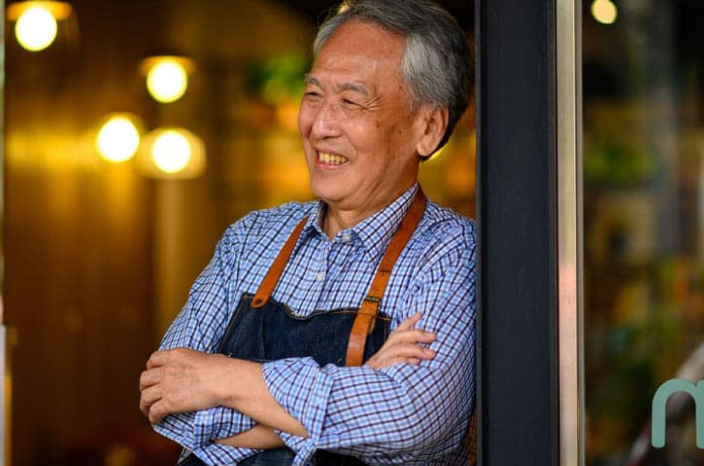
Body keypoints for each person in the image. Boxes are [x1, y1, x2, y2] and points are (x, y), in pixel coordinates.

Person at [138, 0, 475, 464]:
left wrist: (223, 379)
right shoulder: (250, 239)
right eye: (314, 95)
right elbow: (166, 396)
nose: (319, 126)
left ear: (428, 128)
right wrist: (358, 383)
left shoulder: (451, 252)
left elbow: (409, 419)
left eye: (351, 101)